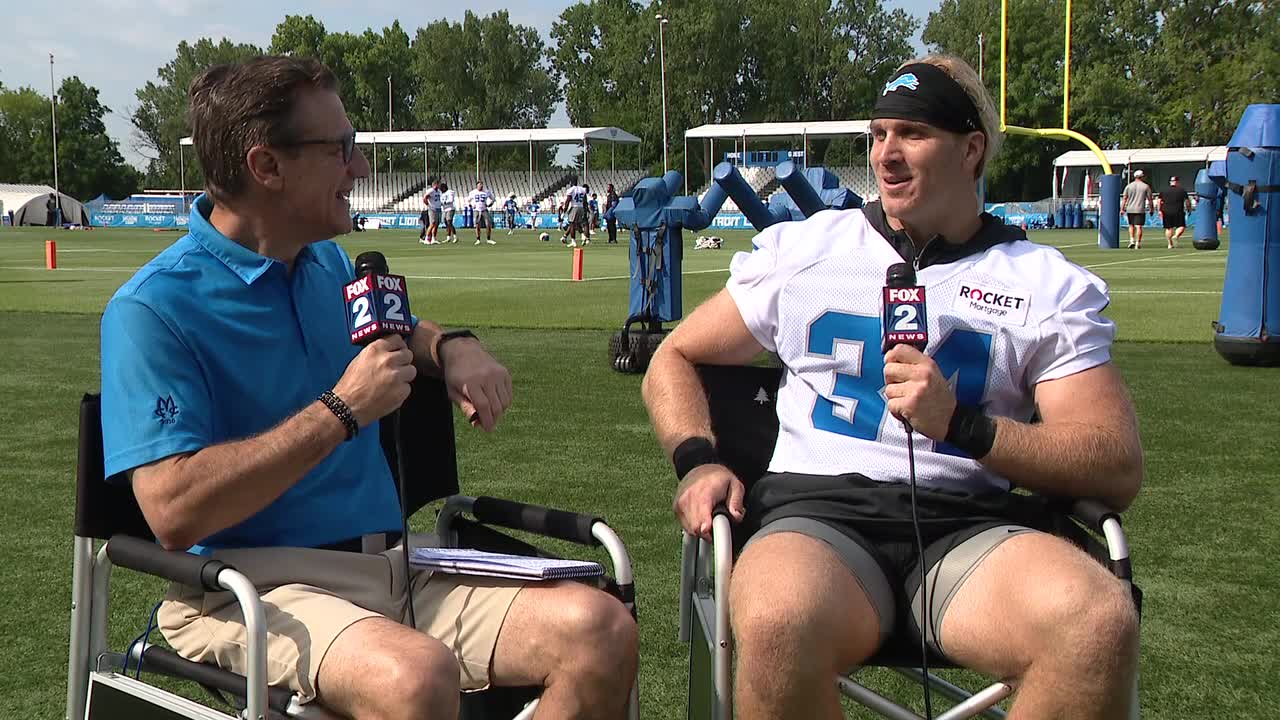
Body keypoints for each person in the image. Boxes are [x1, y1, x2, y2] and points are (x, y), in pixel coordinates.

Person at [99, 56, 637, 720]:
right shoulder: (152, 311)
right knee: (414, 678)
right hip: (248, 591)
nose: (359, 169)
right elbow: (173, 512)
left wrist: (450, 346)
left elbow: (403, 332)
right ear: (267, 167)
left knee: (600, 633)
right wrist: (343, 409)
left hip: (390, 572)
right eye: (342, 149)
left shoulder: (324, 262)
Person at [642, 54, 1141, 720]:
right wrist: (697, 461)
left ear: (971, 149)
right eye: (878, 134)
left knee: (1095, 622)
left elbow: (1114, 461)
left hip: (970, 532)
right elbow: (673, 356)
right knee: (779, 619)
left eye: (911, 133)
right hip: (817, 521)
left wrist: (966, 425)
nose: (887, 155)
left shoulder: (1042, 282)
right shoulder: (806, 251)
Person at [1157, 175, 1191, 249]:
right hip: (1178, 211)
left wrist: (1159, 210)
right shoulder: (1182, 190)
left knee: (1168, 228)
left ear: (1170, 182)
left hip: (1166, 211)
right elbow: (1187, 201)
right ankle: (1176, 236)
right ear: (1177, 182)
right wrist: (1189, 209)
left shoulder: (1164, 190)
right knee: (1181, 226)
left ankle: (1170, 244)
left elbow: (1159, 201)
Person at [1121, 170, 1153, 249]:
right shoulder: (1145, 186)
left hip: (1130, 208)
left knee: (1131, 225)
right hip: (1140, 208)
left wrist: (1122, 208)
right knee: (1139, 226)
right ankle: (1138, 242)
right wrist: (1151, 209)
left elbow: (1125, 198)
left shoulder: (1129, 186)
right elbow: (1150, 199)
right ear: (1142, 177)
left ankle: (1132, 240)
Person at [560, 178, 589, 247]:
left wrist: (564, 212)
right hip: (581, 207)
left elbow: (568, 201)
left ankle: (573, 241)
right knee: (577, 224)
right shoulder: (582, 189)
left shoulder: (571, 190)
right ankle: (583, 236)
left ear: (571, 183)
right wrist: (585, 210)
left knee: (572, 224)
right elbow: (585, 201)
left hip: (574, 207)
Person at [468, 180, 497, 245]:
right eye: (479, 185)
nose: (480, 186)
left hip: (484, 209)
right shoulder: (473, 192)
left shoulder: (486, 191)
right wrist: (472, 205)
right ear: (477, 186)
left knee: (488, 224)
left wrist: (490, 204)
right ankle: (478, 239)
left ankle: (488, 239)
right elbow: (468, 200)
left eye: (481, 185)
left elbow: (493, 199)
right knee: (477, 225)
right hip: (477, 210)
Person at [419, 179, 442, 245]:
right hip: (433, 209)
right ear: (436, 184)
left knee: (436, 224)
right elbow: (425, 198)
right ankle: (426, 238)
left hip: (438, 208)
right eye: (439, 184)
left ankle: (433, 239)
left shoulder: (438, 191)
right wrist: (428, 205)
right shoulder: (431, 190)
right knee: (432, 223)